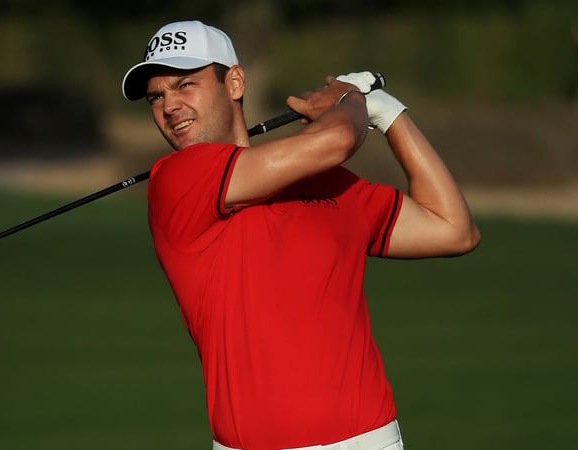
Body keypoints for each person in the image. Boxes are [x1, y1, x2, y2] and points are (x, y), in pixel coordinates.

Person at [121, 20, 480, 450]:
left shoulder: (329, 184)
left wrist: (388, 113)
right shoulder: (177, 180)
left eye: (185, 85)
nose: (170, 106)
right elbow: (338, 138)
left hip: (370, 440)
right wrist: (348, 100)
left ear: (234, 82)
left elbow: (453, 229)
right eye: (156, 97)